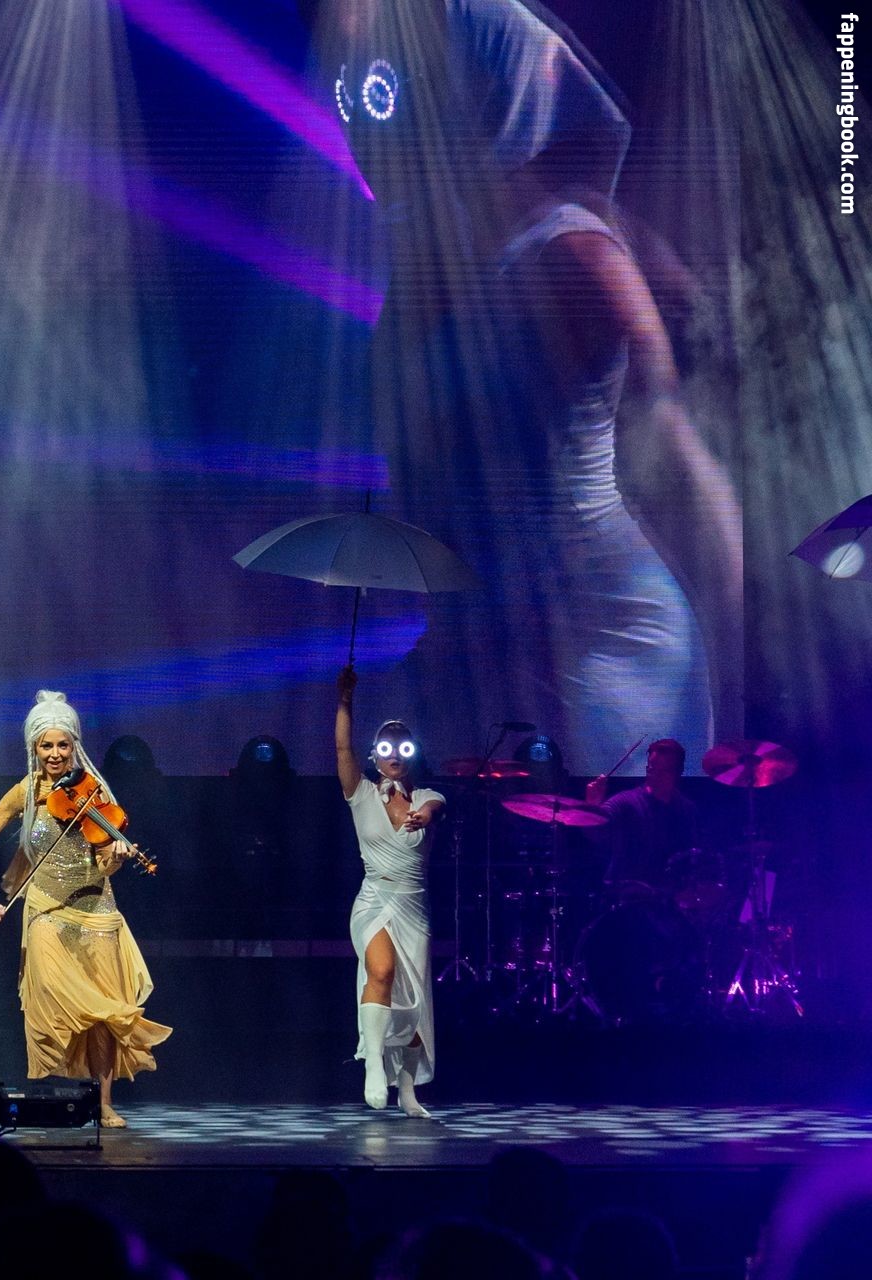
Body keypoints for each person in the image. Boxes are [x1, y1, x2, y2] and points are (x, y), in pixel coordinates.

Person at [305, 0, 743, 770]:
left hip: (607, 647)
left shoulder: (572, 253)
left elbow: (682, 461)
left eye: (394, 85)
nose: (369, 116)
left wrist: (737, 705)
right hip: (483, 652)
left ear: (483, 91)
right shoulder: (415, 286)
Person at [0, 691, 170, 1128]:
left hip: (96, 909)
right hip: (45, 908)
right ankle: (57, 1092)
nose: (55, 754)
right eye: (46, 746)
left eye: (63, 745)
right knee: (53, 998)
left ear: (75, 745)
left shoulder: (95, 792)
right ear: (33, 748)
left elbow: (104, 863)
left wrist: (116, 857)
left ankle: (104, 1103)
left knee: (105, 1013)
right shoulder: (24, 792)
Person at [336, 666, 441, 1116]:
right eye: (385, 747)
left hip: (412, 907)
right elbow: (342, 748)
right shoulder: (360, 793)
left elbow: (435, 808)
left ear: (412, 754)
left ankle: (408, 1089)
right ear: (375, 755)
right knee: (380, 970)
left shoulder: (427, 797)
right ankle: (374, 1066)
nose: (394, 754)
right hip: (373, 900)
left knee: (413, 1002)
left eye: (402, 747)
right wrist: (345, 700)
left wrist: (425, 815)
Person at [584, 738, 698, 890]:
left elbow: (690, 855)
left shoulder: (686, 809)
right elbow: (594, 832)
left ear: (678, 772)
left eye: (663, 770)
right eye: (651, 768)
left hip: (667, 893)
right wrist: (592, 805)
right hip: (625, 894)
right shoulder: (625, 802)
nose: (654, 774)